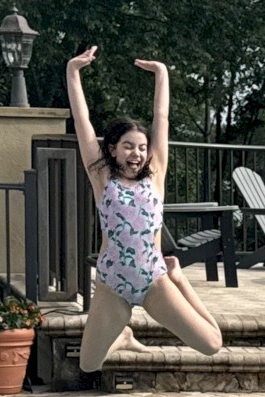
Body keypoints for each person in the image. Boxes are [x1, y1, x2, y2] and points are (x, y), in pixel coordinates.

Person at [66, 46, 222, 373]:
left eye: (141, 147)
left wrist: (162, 73)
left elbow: (160, 118)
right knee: (89, 365)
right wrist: (73, 71)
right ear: (112, 149)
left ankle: (180, 278)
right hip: (111, 283)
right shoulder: (101, 175)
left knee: (212, 343)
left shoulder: (156, 175)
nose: (136, 152)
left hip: (153, 278)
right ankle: (122, 336)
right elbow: (82, 120)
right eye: (128, 146)